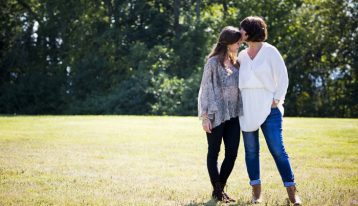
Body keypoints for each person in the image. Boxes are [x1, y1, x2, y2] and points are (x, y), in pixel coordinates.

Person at [237, 16, 302, 205]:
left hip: (269, 108)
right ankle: (256, 193)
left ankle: (292, 192)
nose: (239, 32)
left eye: (242, 29)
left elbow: (283, 77)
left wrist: (276, 100)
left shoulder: (270, 51)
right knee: (251, 151)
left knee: (277, 150)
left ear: (249, 32)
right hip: (247, 108)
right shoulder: (241, 55)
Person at [198, 26, 243, 203]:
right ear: (228, 42)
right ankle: (218, 192)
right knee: (214, 152)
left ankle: (219, 190)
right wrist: (205, 117)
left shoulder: (237, 63)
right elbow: (205, 89)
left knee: (232, 153)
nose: (240, 44)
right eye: (237, 41)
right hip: (216, 114)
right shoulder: (212, 62)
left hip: (234, 115)